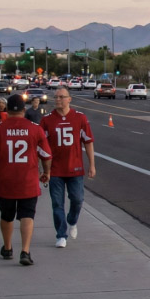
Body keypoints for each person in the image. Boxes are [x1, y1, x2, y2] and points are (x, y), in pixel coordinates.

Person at [0, 94, 52, 266]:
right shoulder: (35, 129)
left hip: (6, 181)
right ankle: (25, 251)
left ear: (6, 109)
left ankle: (7, 247)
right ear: (24, 110)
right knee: (27, 214)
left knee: (7, 215)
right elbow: (46, 155)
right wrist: (47, 172)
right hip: (28, 180)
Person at [40, 88, 96, 248]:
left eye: (61, 97)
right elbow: (40, 146)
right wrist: (42, 169)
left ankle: (72, 220)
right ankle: (61, 234)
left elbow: (88, 141)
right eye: (56, 97)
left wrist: (92, 164)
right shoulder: (47, 120)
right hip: (55, 169)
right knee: (57, 204)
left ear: (69, 99)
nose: (58, 99)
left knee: (77, 199)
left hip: (75, 167)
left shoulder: (79, 118)